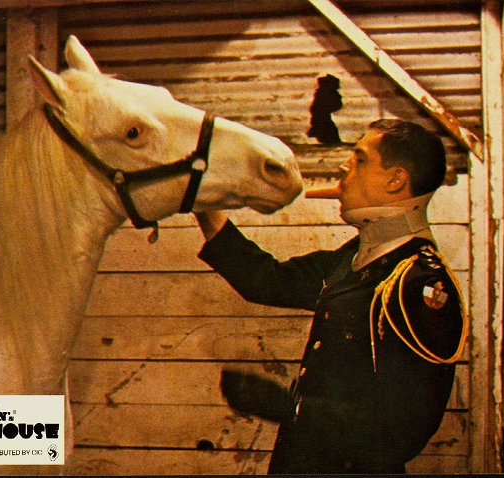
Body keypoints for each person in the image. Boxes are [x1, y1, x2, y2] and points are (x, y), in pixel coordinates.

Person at [194, 119, 467, 474]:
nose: (344, 168)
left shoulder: (418, 285)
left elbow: (401, 433)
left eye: (360, 159)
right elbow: (267, 280)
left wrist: (289, 407)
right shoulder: (357, 257)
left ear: (395, 179)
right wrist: (200, 200)